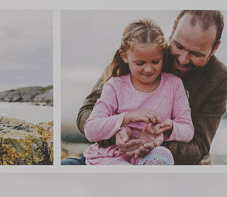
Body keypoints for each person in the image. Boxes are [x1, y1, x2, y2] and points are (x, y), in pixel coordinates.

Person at [63, 11, 227, 165]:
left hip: (175, 159)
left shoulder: (220, 78)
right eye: (179, 46)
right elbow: (86, 114)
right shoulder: (142, 49)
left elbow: (199, 145)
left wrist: (156, 142)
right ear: (173, 30)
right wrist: (117, 135)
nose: (182, 59)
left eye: (196, 54)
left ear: (214, 48)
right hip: (111, 152)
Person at [81, 19, 194, 166]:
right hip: (113, 157)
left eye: (155, 62)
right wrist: (128, 118)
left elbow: (188, 130)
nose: (148, 69)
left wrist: (169, 128)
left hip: (149, 154)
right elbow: (91, 130)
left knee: (163, 156)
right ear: (124, 56)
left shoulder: (174, 84)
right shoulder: (114, 85)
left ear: (163, 56)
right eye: (140, 63)